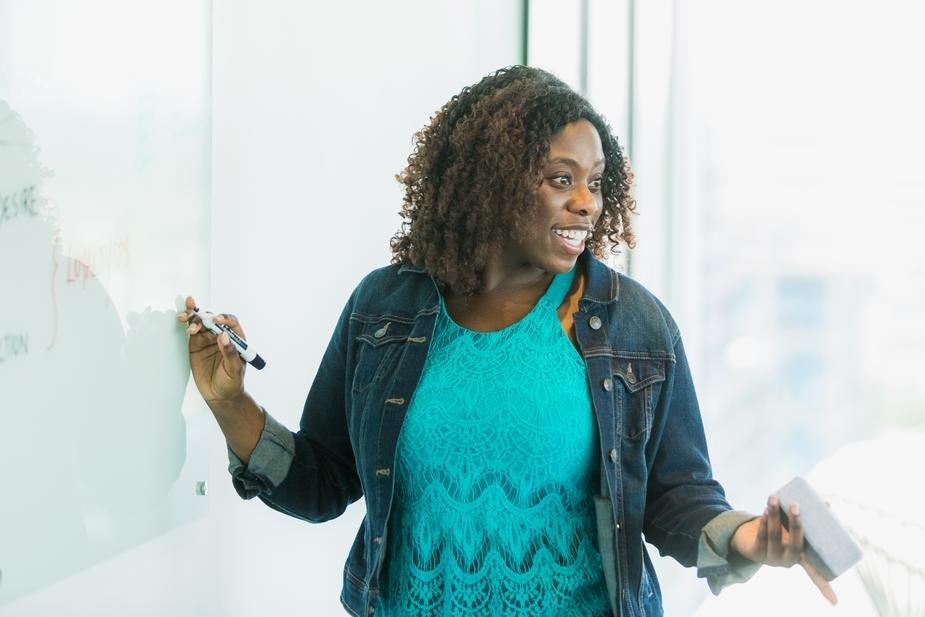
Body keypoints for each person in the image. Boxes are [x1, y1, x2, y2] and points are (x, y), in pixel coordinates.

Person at [177, 65, 837, 616]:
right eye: (560, 178)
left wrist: (751, 538)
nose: (586, 202)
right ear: (489, 180)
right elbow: (324, 483)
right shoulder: (384, 310)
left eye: (595, 181)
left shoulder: (632, 324)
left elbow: (674, 498)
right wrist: (231, 403)